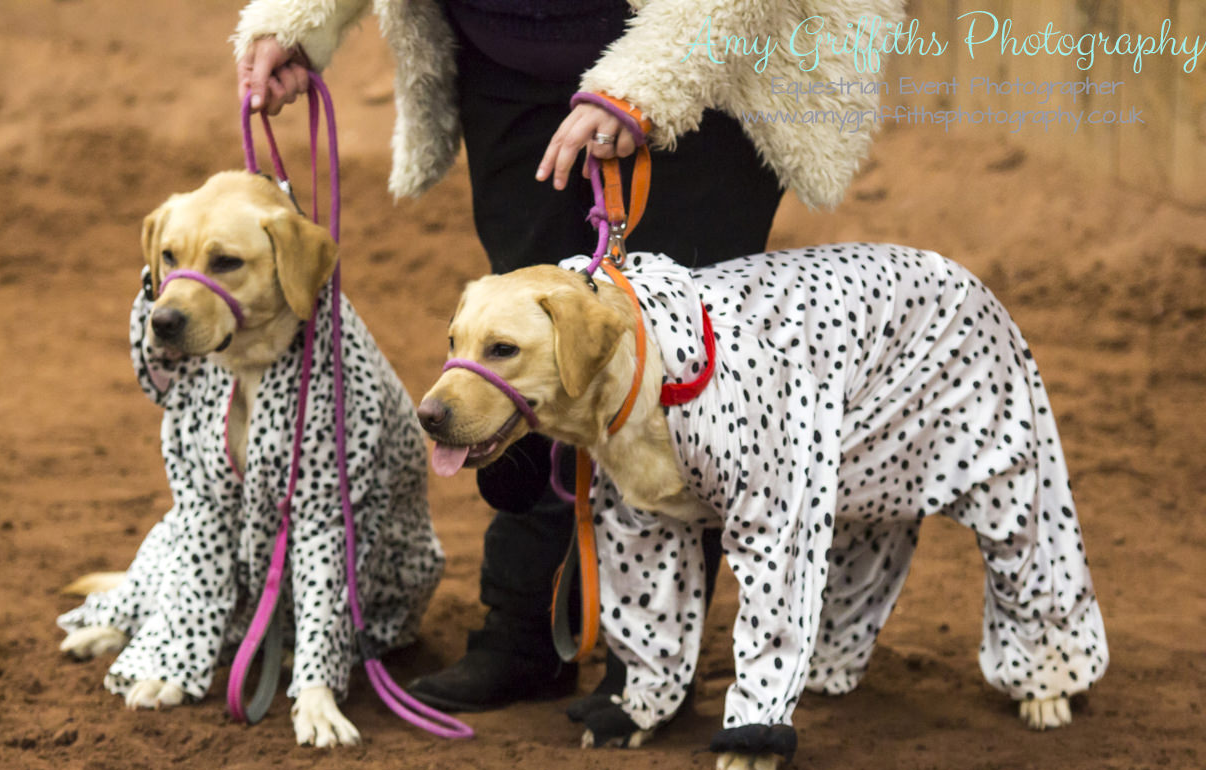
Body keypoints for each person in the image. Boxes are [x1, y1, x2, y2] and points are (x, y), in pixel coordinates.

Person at [232, 0, 903, 712]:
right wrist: (297, 20)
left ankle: (645, 668)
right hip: (511, 65)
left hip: (713, 53)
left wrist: (644, 85)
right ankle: (522, 628)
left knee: (675, 372)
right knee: (526, 353)